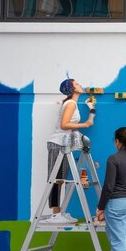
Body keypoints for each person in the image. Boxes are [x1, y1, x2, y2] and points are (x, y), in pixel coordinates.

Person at [42, 78, 96, 224]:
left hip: (64, 145)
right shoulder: (71, 103)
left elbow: (75, 126)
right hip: (57, 144)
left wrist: (91, 110)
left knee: (61, 179)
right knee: (55, 179)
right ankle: (55, 214)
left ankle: (59, 213)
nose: (80, 84)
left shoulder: (73, 104)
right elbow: (64, 124)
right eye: (77, 84)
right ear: (72, 89)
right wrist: (85, 124)